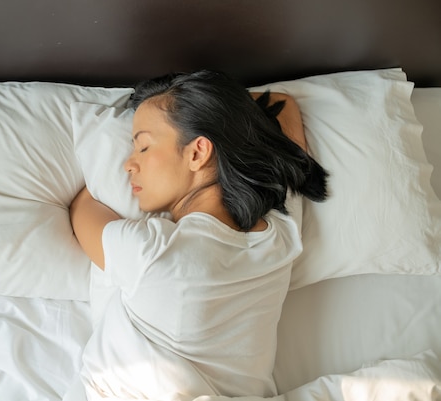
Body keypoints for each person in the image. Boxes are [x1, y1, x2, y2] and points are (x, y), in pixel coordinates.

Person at [69, 70, 328, 400]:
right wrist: (209, 113)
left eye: (143, 147)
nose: (128, 165)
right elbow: (283, 105)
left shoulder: (153, 253)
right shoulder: (281, 233)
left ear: (197, 152)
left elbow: (82, 209)